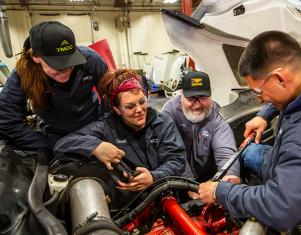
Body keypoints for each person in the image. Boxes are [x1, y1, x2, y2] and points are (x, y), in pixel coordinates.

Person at [198, 30, 301, 231]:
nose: (260, 99)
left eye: (259, 92)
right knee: (247, 152)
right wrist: (264, 115)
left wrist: (221, 192)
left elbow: (280, 209)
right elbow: (299, 94)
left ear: (280, 78)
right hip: (290, 158)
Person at [54, 68, 186, 192]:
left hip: (165, 192)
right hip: (128, 205)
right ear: (117, 109)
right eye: (130, 106)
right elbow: (62, 145)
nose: (139, 110)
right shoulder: (106, 127)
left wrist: (154, 177)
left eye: (142, 102)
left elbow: (176, 160)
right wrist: (95, 147)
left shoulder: (163, 122)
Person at [0, 21, 108, 151]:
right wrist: (53, 144)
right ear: (36, 57)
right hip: (54, 136)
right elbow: (7, 120)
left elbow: (111, 100)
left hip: (94, 129)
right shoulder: (23, 74)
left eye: (71, 61)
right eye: (59, 64)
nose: (67, 69)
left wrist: (102, 129)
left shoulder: (91, 60)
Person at [162, 71, 240, 187]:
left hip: (209, 178)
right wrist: (188, 183)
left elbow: (225, 152)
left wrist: (229, 175)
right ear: (181, 94)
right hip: (178, 178)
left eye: (202, 97)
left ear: (210, 95)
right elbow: (171, 151)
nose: (197, 104)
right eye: (191, 98)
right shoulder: (170, 112)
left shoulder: (216, 115)